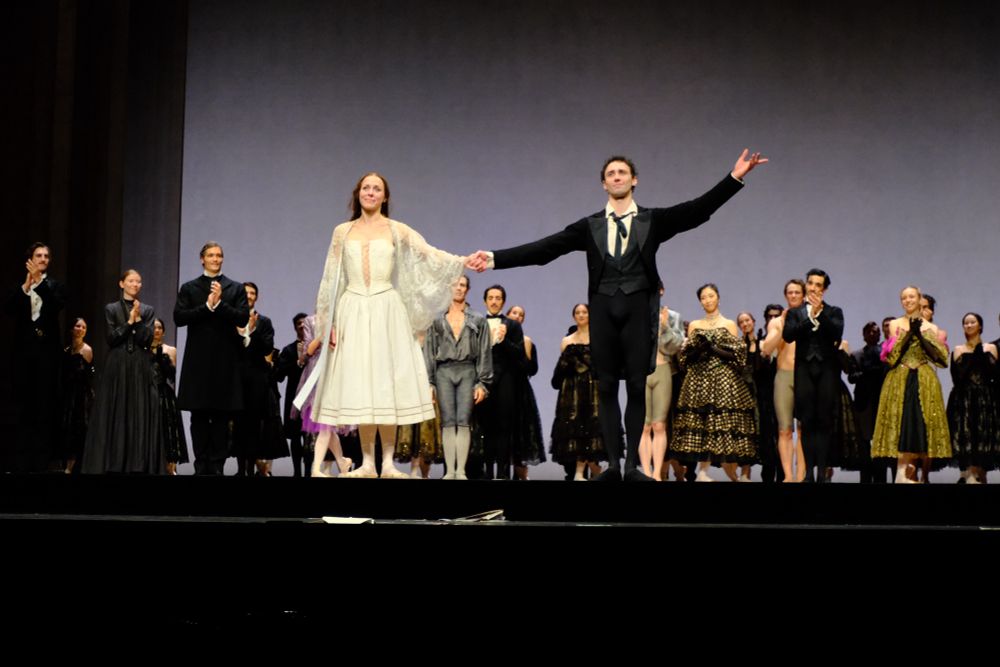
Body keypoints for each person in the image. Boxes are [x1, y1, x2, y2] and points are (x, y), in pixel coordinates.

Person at [470, 150, 767, 481]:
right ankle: (613, 465)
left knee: (637, 385)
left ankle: (631, 468)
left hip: (639, 309)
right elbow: (545, 249)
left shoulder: (651, 220)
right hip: (603, 310)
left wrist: (734, 177)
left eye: (622, 172)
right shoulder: (591, 226)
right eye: (610, 173)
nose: (616, 177)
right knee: (607, 386)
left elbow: (696, 211)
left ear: (633, 179)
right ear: (603, 183)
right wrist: (495, 258)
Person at [294, 172, 473, 478]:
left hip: (385, 309)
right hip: (352, 309)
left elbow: (429, 253)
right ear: (358, 193)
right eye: (366, 187)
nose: (371, 192)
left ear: (385, 196)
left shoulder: (396, 229)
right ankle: (366, 463)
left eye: (377, 189)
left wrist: (463, 261)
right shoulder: (342, 231)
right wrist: (327, 323)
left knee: (385, 385)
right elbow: (329, 278)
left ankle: (387, 463)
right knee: (362, 385)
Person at [174, 242, 249, 475]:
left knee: (221, 416)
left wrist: (220, 305)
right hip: (198, 362)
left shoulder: (234, 288)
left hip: (224, 362)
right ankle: (201, 464)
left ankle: (216, 464)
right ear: (202, 259)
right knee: (198, 415)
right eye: (210, 255)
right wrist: (207, 307)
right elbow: (179, 317)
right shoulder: (190, 288)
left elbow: (243, 318)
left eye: (219, 255)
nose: (215, 259)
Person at [671, 284, 757, 481]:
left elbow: (738, 357)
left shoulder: (728, 324)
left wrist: (713, 348)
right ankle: (702, 471)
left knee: (721, 423)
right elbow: (685, 359)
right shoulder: (694, 325)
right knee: (701, 423)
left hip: (724, 380)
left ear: (718, 298)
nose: (708, 300)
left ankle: (731, 474)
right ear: (700, 302)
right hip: (698, 380)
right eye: (704, 297)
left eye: (711, 296)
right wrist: (697, 350)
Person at [82, 270, 164, 474]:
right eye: (131, 281)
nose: (135, 284)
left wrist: (137, 320)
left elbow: (146, 339)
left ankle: (137, 464)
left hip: (139, 365)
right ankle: (113, 462)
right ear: (122, 284)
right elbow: (112, 338)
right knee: (116, 410)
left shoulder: (148, 310)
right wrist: (129, 322)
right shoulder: (111, 308)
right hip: (117, 364)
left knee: (138, 411)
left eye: (139, 281)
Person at [871, 286, 951, 483]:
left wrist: (921, 336)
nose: (907, 300)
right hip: (900, 377)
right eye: (904, 298)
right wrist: (907, 335)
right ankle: (902, 472)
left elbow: (941, 359)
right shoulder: (895, 324)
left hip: (924, 378)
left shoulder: (931, 328)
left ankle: (918, 473)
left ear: (919, 298)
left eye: (911, 296)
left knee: (920, 424)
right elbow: (891, 358)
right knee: (902, 421)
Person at [5, 242, 68, 472]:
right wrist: (26, 285)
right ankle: (20, 461)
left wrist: (39, 283)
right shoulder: (20, 288)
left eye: (46, 256)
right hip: (23, 356)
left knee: (44, 407)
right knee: (22, 407)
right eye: (38, 255)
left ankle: (42, 462)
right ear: (29, 259)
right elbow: (10, 310)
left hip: (47, 356)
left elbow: (55, 305)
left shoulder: (55, 287)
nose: (42, 259)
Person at [423, 275, 492, 479]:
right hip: (444, 370)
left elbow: (484, 352)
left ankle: (460, 471)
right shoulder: (437, 319)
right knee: (447, 421)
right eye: (455, 285)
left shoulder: (477, 319)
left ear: (467, 290)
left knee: (463, 420)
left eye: (462, 285)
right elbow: (429, 351)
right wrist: (429, 382)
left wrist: (483, 383)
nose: (459, 288)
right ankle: (450, 471)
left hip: (467, 369)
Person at [781, 269, 844, 483]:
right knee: (807, 421)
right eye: (811, 283)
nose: (814, 288)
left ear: (824, 289)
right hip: (804, 371)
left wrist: (821, 314)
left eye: (819, 285)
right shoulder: (795, 313)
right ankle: (808, 472)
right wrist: (810, 318)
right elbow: (788, 336)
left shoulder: (834, 311)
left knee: (824, 421)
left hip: (826, 371)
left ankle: (822, 472)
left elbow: (836, 334)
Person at [475, 284, 530, 479]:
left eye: (498, 298)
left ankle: (503, 473)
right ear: (485, 301)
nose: (494, 301)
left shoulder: (513, 325)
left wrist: (504, 340)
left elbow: (520, 355)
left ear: (503, 301)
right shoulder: (478, 323)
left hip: (507, 380)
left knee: (505, 427)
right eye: (491, 298)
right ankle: (488, 472)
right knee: (486, 427)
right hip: (485, 381)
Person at [550, 304, 605, 480]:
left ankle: (594, 469)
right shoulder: (567, 341)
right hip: (572, 392)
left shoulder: (599, 337)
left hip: (593, 389)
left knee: (592, 427)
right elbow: (560, 370)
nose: (581, 315)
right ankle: (580, 472)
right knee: (576, 428)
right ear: (574, 316)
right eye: (578, 313)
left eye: (585, 312)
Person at [761, 279, 808, 482]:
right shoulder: (776, 321)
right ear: (785, 295)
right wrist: (782, 326)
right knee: (785, 429)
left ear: (803, 295)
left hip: (805, 376)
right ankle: (788, 476)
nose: (794, 295)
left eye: (797, 292)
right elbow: (766, 349)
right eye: (790, 292)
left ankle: (801, 475)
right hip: (784, 376)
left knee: (803, 430)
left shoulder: (810, 319)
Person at [947, 313, 998, 484]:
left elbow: (994, 375)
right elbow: (958, 378)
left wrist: (981, 354)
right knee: (966, 435)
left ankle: (981, 473)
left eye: (972, 322)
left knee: (983, 435)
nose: (968, 325)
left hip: (985, 398)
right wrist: (973, 356)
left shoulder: (991, 348)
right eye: (965, 323)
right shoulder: (958, 350)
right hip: (964, 399)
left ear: (980, 326)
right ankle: (969, 473)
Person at [233, 281, 276, 476]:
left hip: (257, 380)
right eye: (245, 293)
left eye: (252, 293)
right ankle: (240, 468)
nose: (249, 296)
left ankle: (251, 468)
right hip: (236, 378)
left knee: (253, 425)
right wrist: (242, 332)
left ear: (256, 297)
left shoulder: (264, 321)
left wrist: (254, 329)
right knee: (237, 425)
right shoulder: (231, 319)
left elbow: (267, 347)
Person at [639, 296, 684, 481]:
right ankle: (646, 472)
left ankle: (657, 473)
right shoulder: (636, 314)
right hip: (641, 371)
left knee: (659, 425)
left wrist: (664, 326)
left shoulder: (673, 316)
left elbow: (675, 347)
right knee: (643, 426)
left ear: (662, 291)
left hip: (663, 369)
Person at [505, 304, 546, 479]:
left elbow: (532, 369)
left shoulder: (527, 341)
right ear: (507, 315)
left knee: (522, 432)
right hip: (501, 389)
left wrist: (526, 351)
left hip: (521, 392)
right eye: (514, 313)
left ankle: (521, 475)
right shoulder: (496, 337)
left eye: (521, 314)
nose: (517, 316)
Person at [848, 321, 890, 483]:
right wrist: (864, 373)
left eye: (876, 332)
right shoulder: (856, 355)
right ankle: (865, 478)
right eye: (870, 332)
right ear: (864, 335)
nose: (873, 335)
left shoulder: (885, 355)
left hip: (881, 401)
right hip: (863, 401)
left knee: (881, 442)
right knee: (864, 442)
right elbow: (852, 378)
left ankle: (881, 479)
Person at [151, 317, 188, 475]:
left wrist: (161, 358)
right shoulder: (143, 349)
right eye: (154, 327)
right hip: (148, 394)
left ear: (163, 332)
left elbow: (171, 376)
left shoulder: (170, 349)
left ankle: (171, 467)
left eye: (160, 327)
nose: (157, 330)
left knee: (168, 430)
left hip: (164, 394)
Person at [58, 318, 94, 474]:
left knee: (78, 430)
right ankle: (66, 464)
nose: (80, 329)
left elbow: (89, 377)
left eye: (84, 327)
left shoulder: (87, 350)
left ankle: (73, 467)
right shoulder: (66, 350)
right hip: (67, 395)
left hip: (81, 397)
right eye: (78, 326)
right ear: (72, 329)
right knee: (66, 428)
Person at [275, 313, 309, 476]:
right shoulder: (288, 350)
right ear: (294, 327)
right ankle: (297, 472)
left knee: (310, 438)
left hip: (312, 399)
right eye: (298, 324)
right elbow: (279, 374)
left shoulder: (317, 349)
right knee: (295, 437)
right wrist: (297, 363)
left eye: (305, 323)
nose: (302, 326)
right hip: (294, 400)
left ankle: (309, 472)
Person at [754, 304, 784, 483]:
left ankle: (783, 474)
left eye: (776, 316)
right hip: (764, 396)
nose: (772, 320)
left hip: (782, 393)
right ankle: (767, 475)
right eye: (769, 317)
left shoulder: (787, 343)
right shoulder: (760, 342)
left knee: (784, 433)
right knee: (766, 436)